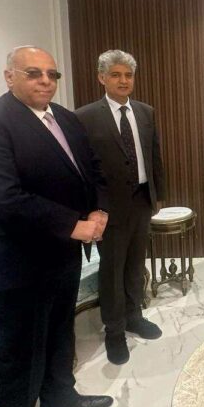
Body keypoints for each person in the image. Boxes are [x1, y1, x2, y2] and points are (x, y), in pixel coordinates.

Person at [0, 46, 113, 407]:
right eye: (33, 73)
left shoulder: (65, 118)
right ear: (9, 76)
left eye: (52, 74)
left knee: (60, 336)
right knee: (21, 353)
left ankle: (61, 402)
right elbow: (2, 197)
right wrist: (73, 225)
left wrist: (99, 208)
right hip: (15, 262)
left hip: (62, 255)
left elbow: (91, 169)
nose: (46, 81)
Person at [75, 50, 167, 365]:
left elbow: (154, 156)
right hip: (108, 208)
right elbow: (83, 169)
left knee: (135, 264)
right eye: (115, 75)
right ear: (102, 78)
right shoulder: (85, 117)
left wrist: (158, 195)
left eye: (128, 75)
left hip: (141, 201)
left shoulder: (145, 112)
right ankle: (114, 331)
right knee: (112, 270)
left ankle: (134, 316)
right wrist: (90, 209)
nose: (123, 81)